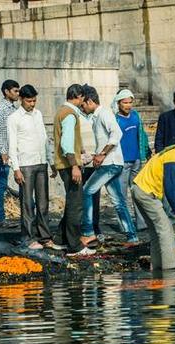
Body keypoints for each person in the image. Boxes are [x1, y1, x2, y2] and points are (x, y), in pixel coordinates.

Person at [131, 131, 175, 270]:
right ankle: (170, 271)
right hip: (146, 193)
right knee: (166, 231)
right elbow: (170, 187)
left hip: (140, 189)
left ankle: (157, 268)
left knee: (156, 232)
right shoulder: (174, 158)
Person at [80, 85, 138, 243]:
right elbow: (104, 141)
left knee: (86, 191)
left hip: (110, 163)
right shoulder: (96, 116)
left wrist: (102, 154)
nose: (82, 108)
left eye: (83, 104)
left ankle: (88, 231)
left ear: (90, 101)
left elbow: (117, 133)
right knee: (118, 201)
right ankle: (132, 236)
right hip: (110, 162)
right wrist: (92, 155)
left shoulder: (104, 113)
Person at [7, 85, 63, 251]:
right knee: (27, 203)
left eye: (34, 100)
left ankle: (45, 237)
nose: (32, 104)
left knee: (43, 202)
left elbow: (44, 139)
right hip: (25, 165)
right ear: (22, 100)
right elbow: (12, 145)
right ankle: (28, 237)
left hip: (41, 163)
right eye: (29, 101)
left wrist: (50, 161)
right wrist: (16, 168)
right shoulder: (14, 118)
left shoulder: (38, 114)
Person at [53, 84, 96, 257]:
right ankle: (74, 246)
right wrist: (75, 166)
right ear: (77, 96)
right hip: (69, 165)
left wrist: (82, 151)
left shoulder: (63, 111)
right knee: (75, 205)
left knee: (72, 202)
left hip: (66, 164)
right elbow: (66, 144)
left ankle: (60, 240)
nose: (83, 102)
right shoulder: (70, 114)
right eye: (82, 98)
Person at [112, 89, 151, 231]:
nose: (128, 105)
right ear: (119, 103)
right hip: (122, 163)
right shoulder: (115, 119)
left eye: (130, 102)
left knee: (138, 193)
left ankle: (141, 224)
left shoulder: (135, 116)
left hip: (136, 160)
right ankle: (125, 226)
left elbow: (142, 135)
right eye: (125, 102)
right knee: (121, 196)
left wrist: (146, 151)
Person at [0, 79, 20, 229]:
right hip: (3, 153)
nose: (17, 93)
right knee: (1, 184)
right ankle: (1, 218)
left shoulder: (13, 108)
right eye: (15, 91)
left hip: (11, 151)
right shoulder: (0, 108)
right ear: (6, 92)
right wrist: (3, 151)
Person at [77, 96, 103, 240]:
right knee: (82, 196)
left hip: (95, 161)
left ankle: (95, 225)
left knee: (95, 196)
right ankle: (84, 227)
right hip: (82, 162)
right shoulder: (76, 117)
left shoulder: (96, 116)